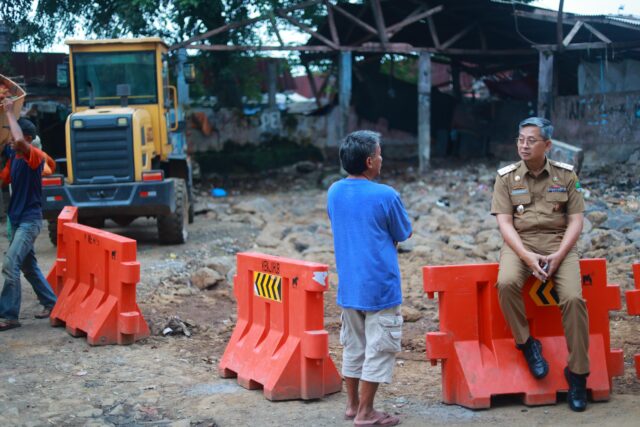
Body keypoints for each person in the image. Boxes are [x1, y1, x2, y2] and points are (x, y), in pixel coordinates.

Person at [490, 117, 588, 412]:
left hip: (560, 244)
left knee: (573, 298)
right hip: (520, 244)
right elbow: (505, 224)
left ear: (547, 145)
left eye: (531, 140)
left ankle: (579, 374)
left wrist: (559, 255)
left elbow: (576, 220)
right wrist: (525, 256)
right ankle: (527, 343)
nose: (523, 145)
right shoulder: (506, 177)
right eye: (520, 139)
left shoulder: (566, 175)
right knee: (505, 283)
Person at [327, 130, 412, 426]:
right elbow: (403, 233)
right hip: (380, 287)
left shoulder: (334, 191)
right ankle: (366, 413)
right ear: (368, 161)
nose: (381, 158)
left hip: (349, 285)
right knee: (379, 348)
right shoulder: (386, 195)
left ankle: (352, 405)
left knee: (353, 346)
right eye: (378, 154)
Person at [0, 98, 57, 331]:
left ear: (29, 140)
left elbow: (20, 143)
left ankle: (9, 315)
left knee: (10, 263)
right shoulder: (13, 157)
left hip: (29, 221)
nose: (13, 141)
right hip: (18, 220)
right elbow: (4, 178)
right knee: (28, 266)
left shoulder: (33, 156)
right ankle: (52, 303)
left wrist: (10, 114)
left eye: (16, 137)